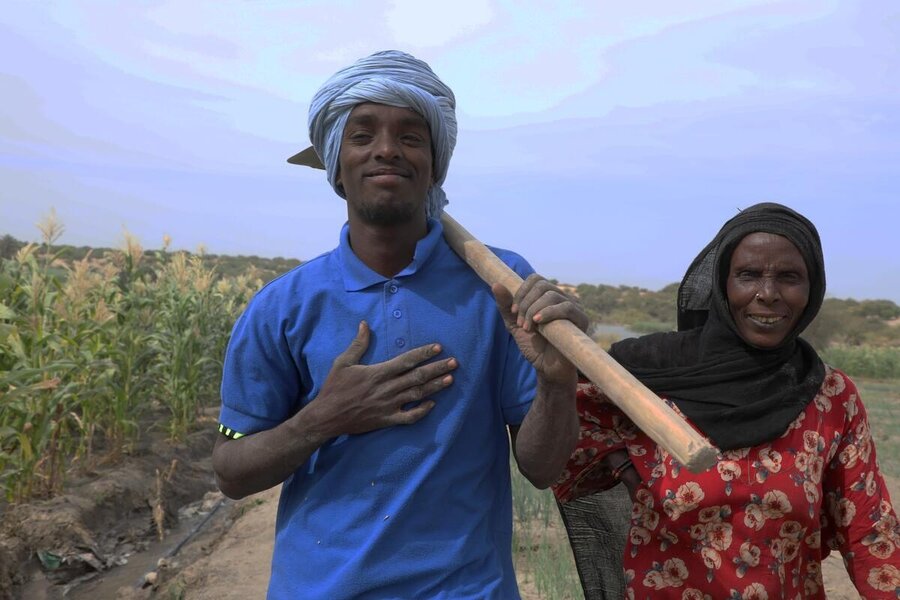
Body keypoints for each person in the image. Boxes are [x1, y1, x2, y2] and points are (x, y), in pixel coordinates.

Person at [211, 50, 584, 599]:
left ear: (434, 164)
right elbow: (230, 472)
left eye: (411, 137)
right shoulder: (282, 306)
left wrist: (557, 380)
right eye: (362, 135)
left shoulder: (501, 288)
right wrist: (321, 420)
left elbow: (543, 469)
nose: (387, 149)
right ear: (336, 165)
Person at [550, 202, 900, 598]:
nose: (768, 294)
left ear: (812, 288)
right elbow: (562, 437)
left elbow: (870, 533)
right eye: (748, 275)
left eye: (789, 277)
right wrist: (623, 463)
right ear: (722, 283)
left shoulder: (830, 395)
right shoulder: (645, 375)